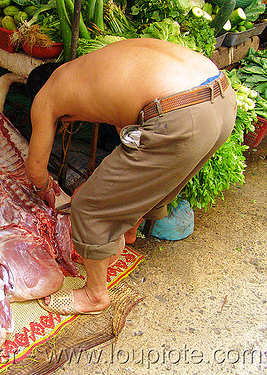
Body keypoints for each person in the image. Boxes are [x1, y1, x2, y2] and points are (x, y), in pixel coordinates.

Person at [25, 38, 237, 315]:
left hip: (181, 114)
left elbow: (35, 169)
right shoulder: (92, 66)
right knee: (150, 179)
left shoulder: (47, 95)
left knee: (88, 205)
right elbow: (129, 125)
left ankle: (94, 295)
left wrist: (44, 189)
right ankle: (129, 234)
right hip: (221, 97)